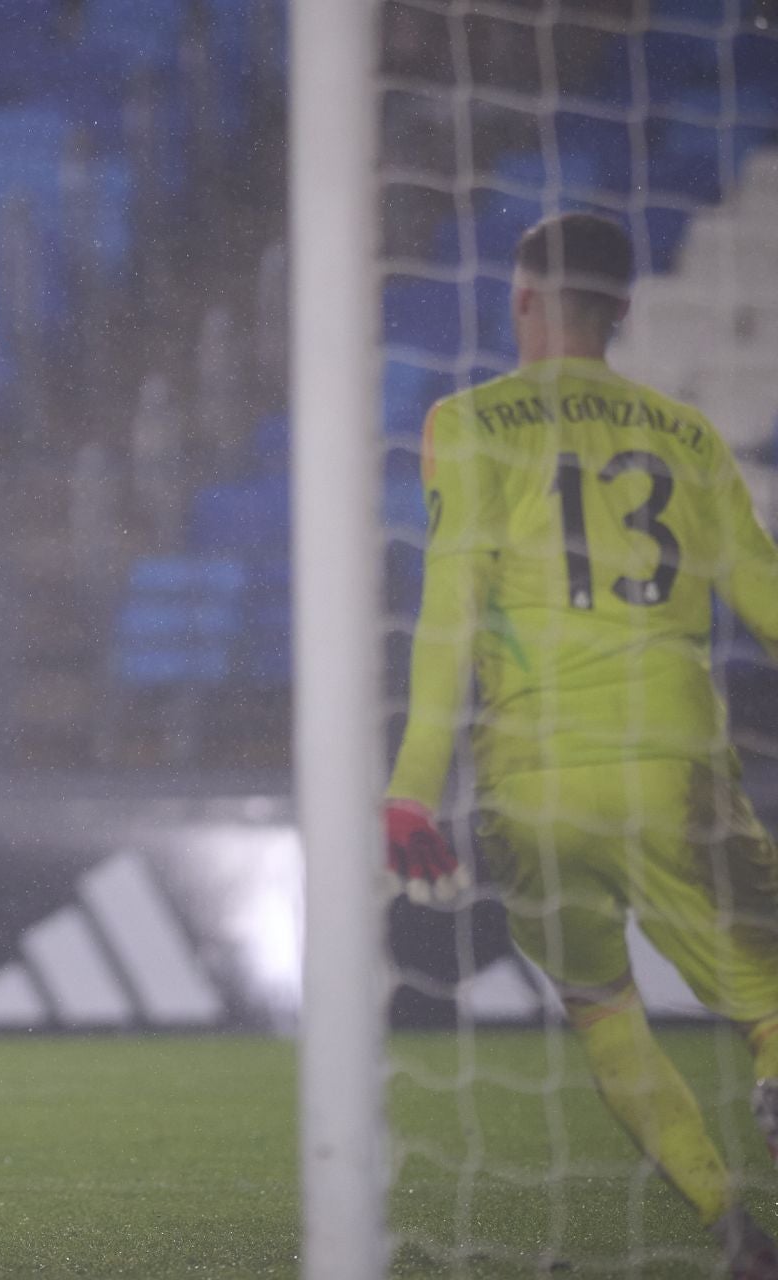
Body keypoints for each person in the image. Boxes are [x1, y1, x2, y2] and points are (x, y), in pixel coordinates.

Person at [385, 211, 778, 1277]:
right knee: (771, 995)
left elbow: (448, 616)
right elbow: (769, 601)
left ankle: (733, 1229)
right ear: (623, 311)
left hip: (534, 780)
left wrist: (414, 788)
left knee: (603, 1007)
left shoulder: (468, 422)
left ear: (521, 301)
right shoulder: (688, 436)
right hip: (675, 764)